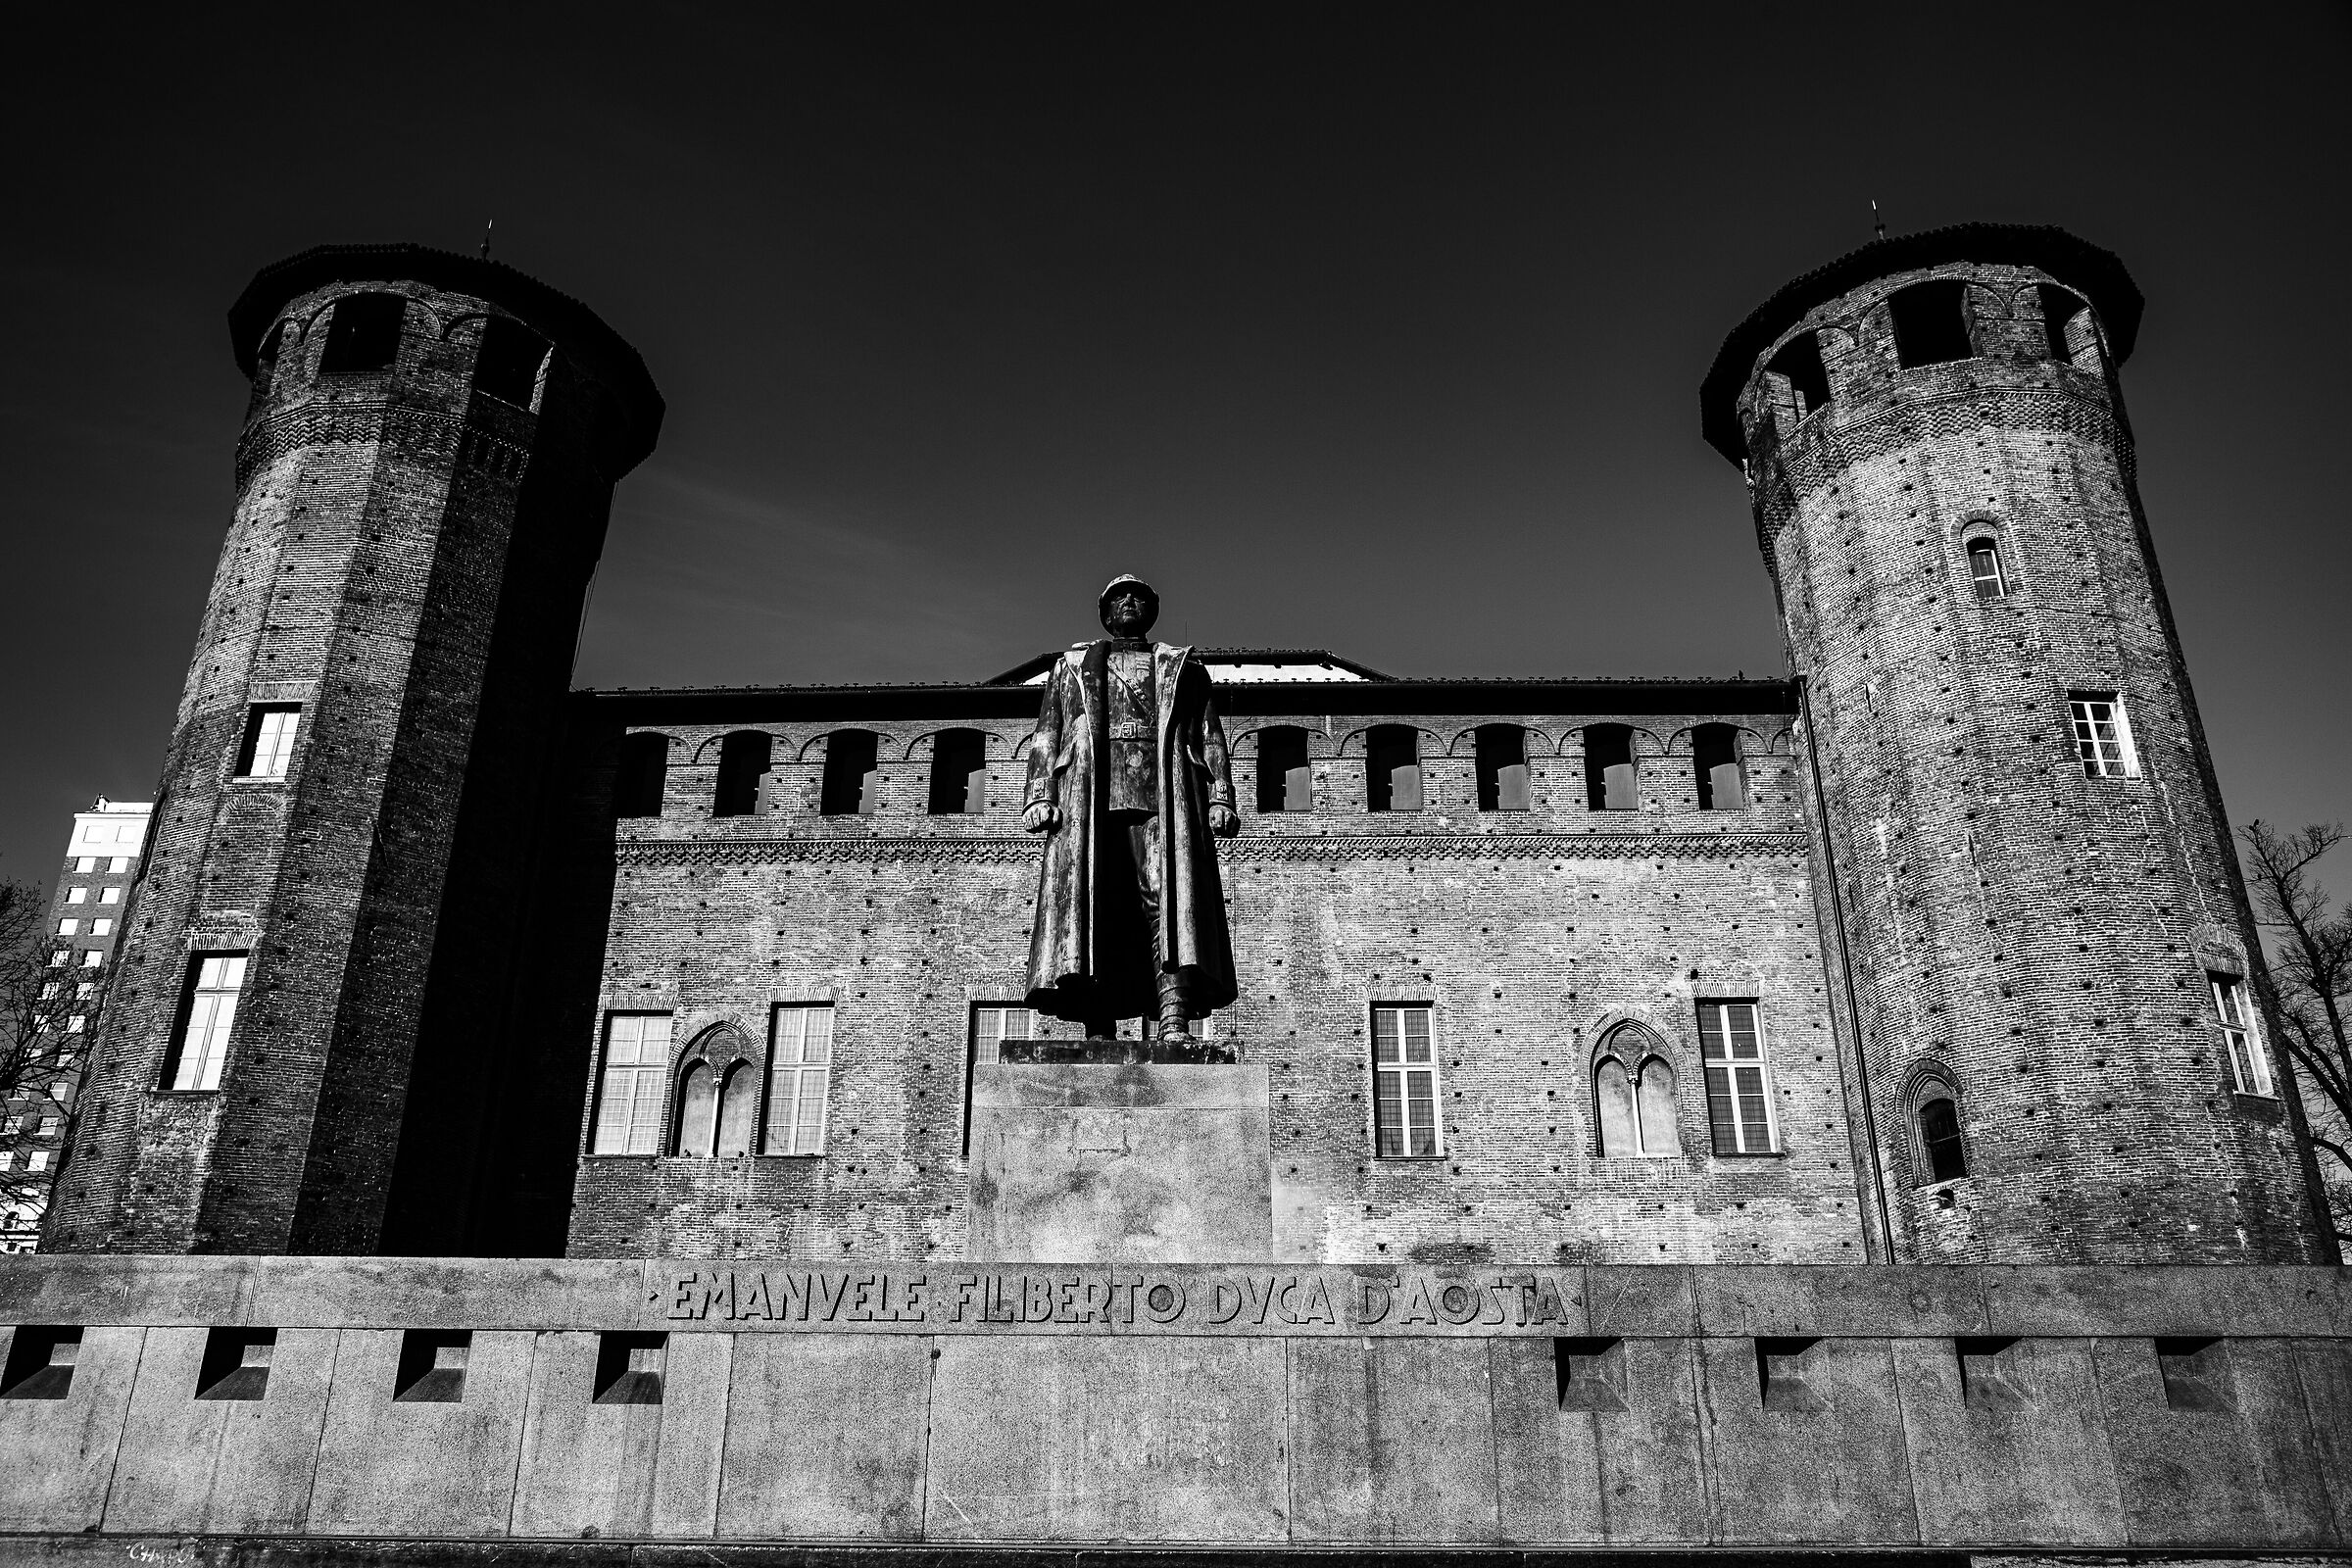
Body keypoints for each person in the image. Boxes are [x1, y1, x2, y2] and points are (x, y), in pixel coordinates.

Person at [1022, 575, 1239, 1044]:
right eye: (1118, 597)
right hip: (1090, 800)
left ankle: (1174, 1015)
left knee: (1166, 903)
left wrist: (1221, 794)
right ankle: (1095, 1016)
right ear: (1104, 612)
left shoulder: (1182, 668)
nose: (1128, 603)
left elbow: (1210, 736)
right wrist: (1040, 793)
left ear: (1153, 609)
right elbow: (1047, 734)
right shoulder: (1072, 667)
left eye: (1138, 596)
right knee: (1099, 901)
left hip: (1165, 799)